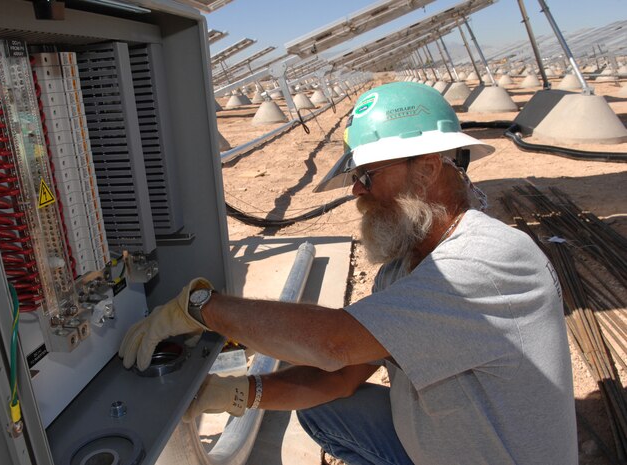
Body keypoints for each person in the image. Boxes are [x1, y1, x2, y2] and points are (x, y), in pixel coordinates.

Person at [119, 82, 578, 465]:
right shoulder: (403, 270)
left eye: (368, 174)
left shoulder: (489, 260)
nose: (356, 190)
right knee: (326, 412)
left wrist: (204, 309)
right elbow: (339, 374)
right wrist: (238, 393)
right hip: (437, 444)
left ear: (427, 169)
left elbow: (333, 343)